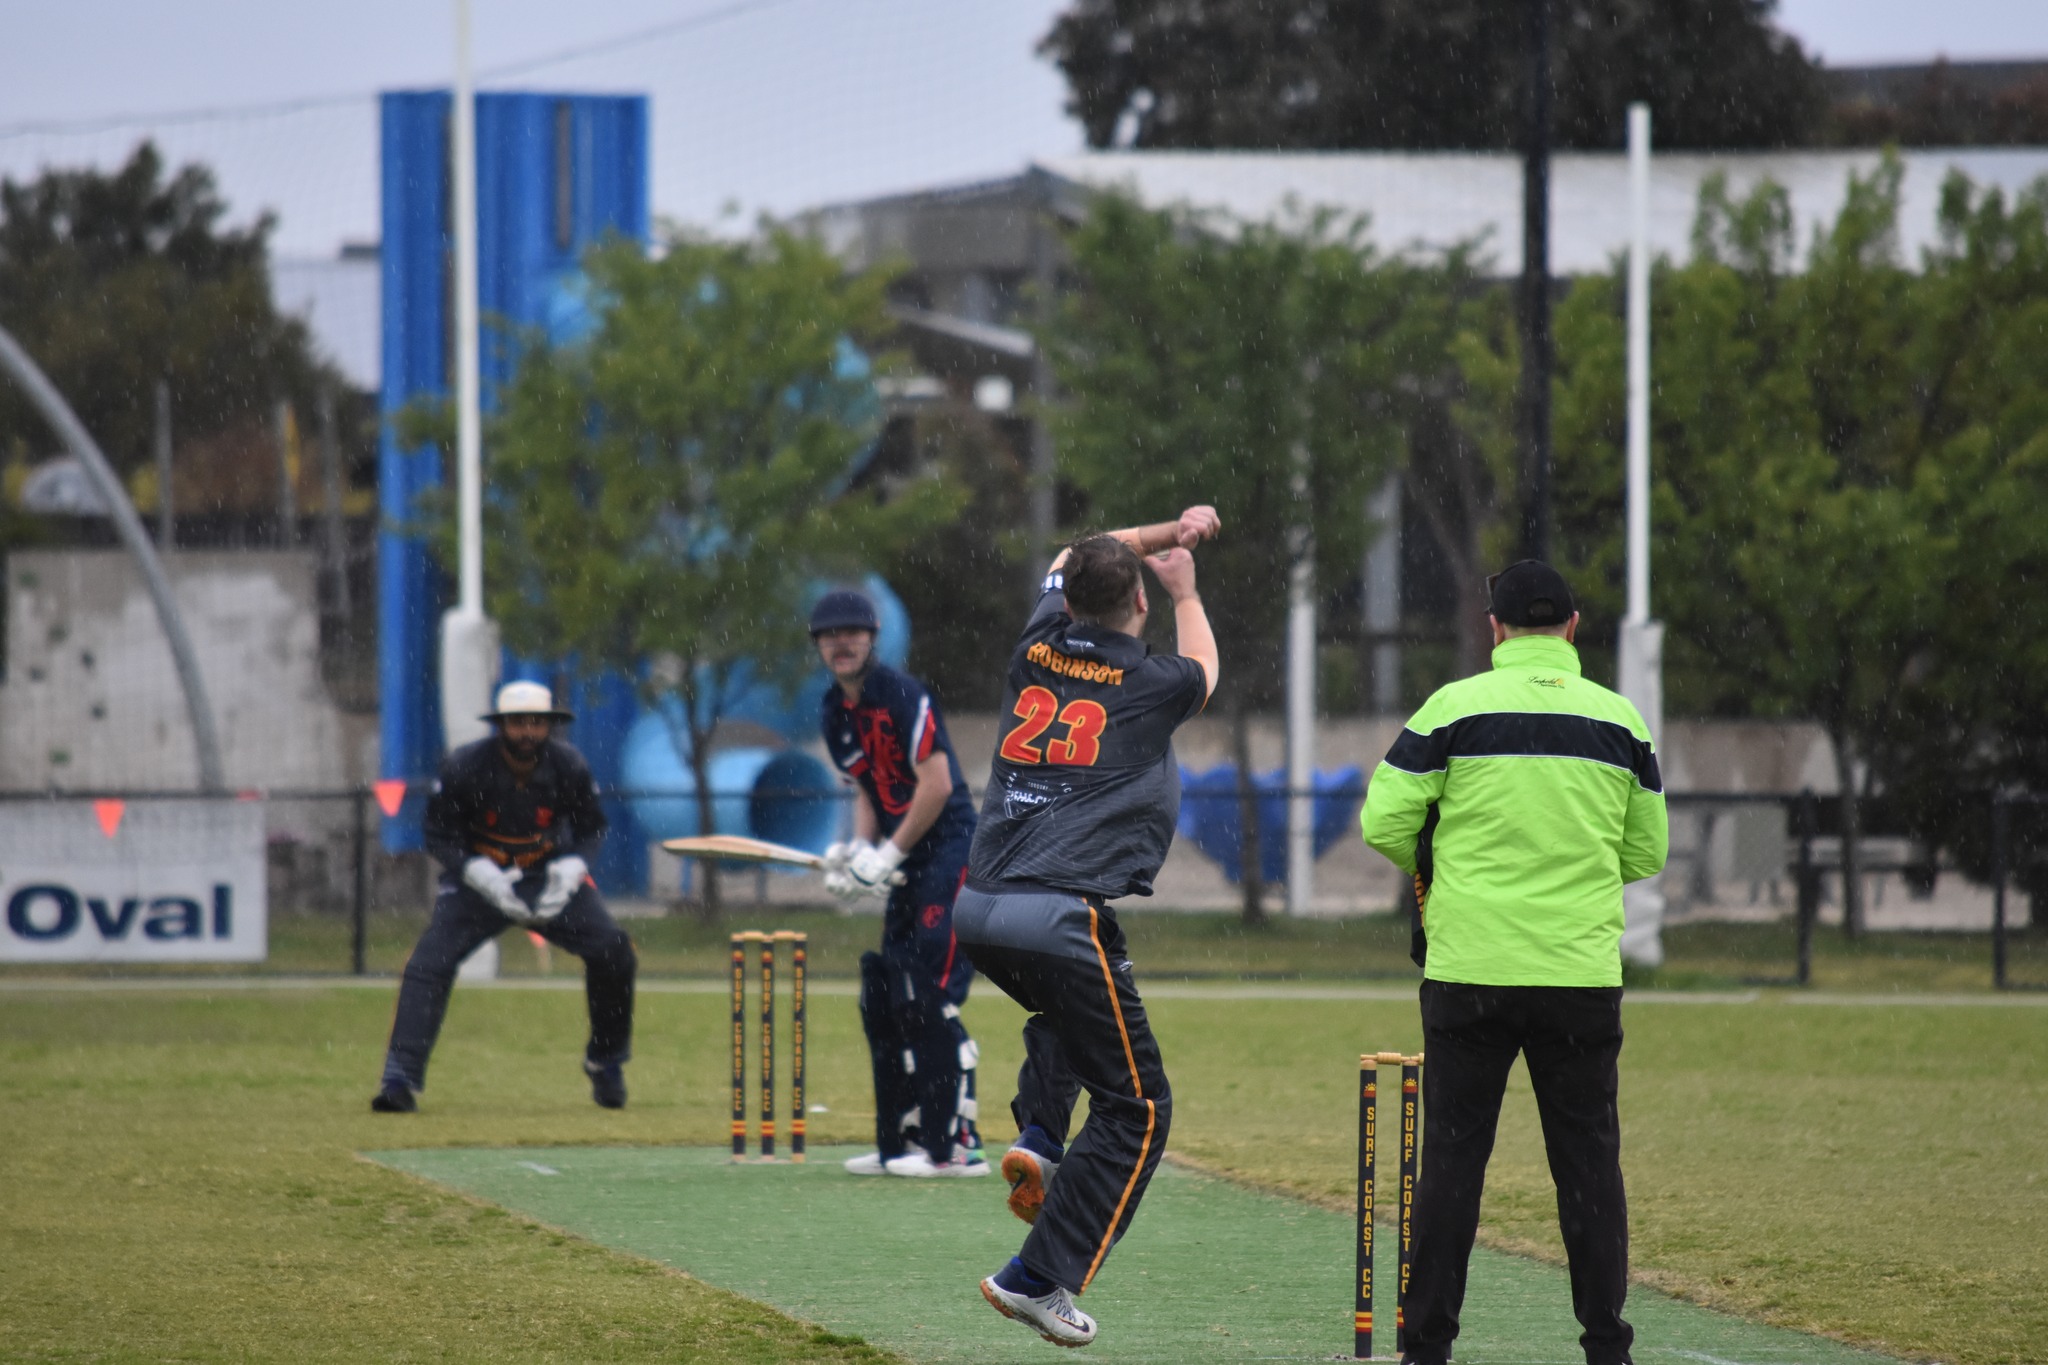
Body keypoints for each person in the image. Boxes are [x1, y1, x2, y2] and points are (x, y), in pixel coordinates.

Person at [1360, 560, 1668, 1365]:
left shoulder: (1453, 708)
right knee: (1589, 1165)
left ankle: (1427, 1346)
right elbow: (1646, 852)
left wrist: (1444, 868)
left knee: (1452, 1164)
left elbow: (1383, 822)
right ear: (1573, 626)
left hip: (1471, 967)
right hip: (1579, 973)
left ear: (1493, 627)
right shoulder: (1621, 721)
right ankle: (1607, 1345)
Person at [955, 505, 1221, 1349]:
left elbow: (1076, 551)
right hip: (1061, 913)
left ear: (1065, 600)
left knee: (1068, 1016)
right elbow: (1206, 667)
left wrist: (1161, 532)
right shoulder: (1151, 680)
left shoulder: (1035, 643)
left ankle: (1041, 1134)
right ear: (1138, 601)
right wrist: (1187, 584)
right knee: (1138, 1108)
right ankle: (1036, 1278)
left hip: (980, 906)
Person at [370, 681, 637, 1115]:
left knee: (614, 950)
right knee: (427, 965)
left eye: (536, 723)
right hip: (479, 884)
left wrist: (572, 868)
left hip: (547, 877)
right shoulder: (464, 766)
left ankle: (605, 1062)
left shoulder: (569, 764)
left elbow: (591, 828)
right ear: (501, 725)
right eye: (517, 723)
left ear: (549, 726)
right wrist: (476, 871)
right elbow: (438, 833)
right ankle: (399, 1078)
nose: (527, 732)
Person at [811, 589, 988, 1177]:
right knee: (890, 995)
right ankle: (904, 1141)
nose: (840, 643)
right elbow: (868, 787)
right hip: (907, 858)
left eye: (852, 633)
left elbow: (936, 785)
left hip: (950, 851)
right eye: (829, 635)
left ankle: (956, 1147)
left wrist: (888, 852)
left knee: (930, 992)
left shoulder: (902, 694)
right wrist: (858, 851)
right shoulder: (834, 711)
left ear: (872, 638)